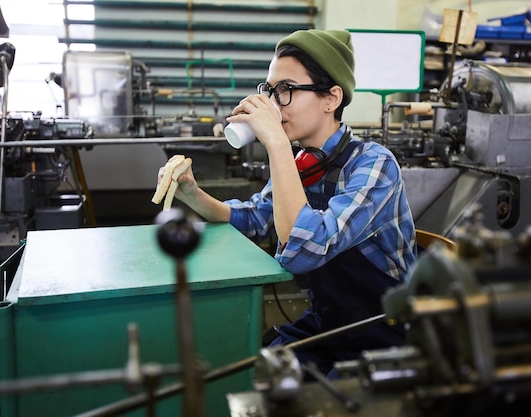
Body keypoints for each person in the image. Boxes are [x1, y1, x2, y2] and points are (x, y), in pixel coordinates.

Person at [157, 29, 417, 377]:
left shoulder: (373, 164)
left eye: (286, 90)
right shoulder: (303, 162)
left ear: (331, 98)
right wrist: (191, 192)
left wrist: (277, 144)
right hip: (330, 323)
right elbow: (251, 216)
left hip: (387, 332)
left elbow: (305, 249)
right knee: (257, 374)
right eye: (270, 90)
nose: (274, 104)